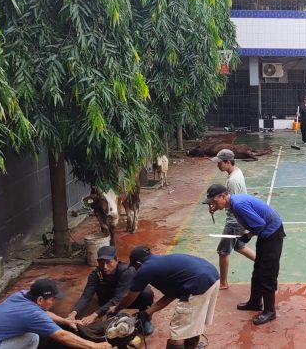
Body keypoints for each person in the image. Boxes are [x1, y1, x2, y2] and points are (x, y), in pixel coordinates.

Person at [204, 184, 285, 325]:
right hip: (266, 233)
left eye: (215, 201)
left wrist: (247, 236)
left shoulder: (238, 204)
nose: (213, 204)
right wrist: (218, 207)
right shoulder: (232, 202)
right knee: (258, 270)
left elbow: (259, 224)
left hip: (272, 232)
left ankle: (270, 311)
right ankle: (255, 302)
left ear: (223, 196)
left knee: (267, 273)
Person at [0, 279, 110, 349]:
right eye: (52, 299)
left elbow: (46, 314)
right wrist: (96, 346)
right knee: (32, 338)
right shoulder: (33, 314)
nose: (54, 302)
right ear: (40, 299)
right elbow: (62, 336)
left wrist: (65, 321)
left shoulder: (20, 295)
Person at [114, 246, 220, 349]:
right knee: (193, 324)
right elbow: (171, 295)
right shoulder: (162, 263)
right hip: (213, 277)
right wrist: (148, 312)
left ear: (138, 263)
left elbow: (129, 297)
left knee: (177, 333)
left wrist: (116, 309)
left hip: (198, 283)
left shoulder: (145, 269)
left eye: (135, 267)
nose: (136, 270)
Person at [68, 246, 154, 333]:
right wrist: (74, 313)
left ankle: (145, 318)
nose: (105, 267)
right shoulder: (96, 274)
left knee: (146, 292)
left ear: (116, 260)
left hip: (125, 299)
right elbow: (86, 295)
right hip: (107, 300)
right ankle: (113, 315)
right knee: (110, 328)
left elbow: (118, 297)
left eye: (109, 262)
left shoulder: (127, 271)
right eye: (101, 263)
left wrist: (94, 315)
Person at [210, 149, 256, 289]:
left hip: (234, 220)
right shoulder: (236, 172)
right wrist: (217, 207)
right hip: (239, 219)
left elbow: (233, 203)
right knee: (239, 246)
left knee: (223, 251)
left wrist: (218, 207)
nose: (217, 165)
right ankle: (264, 263)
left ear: (227, 162)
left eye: (219, 163)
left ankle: (223, 283)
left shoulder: (232, 181)